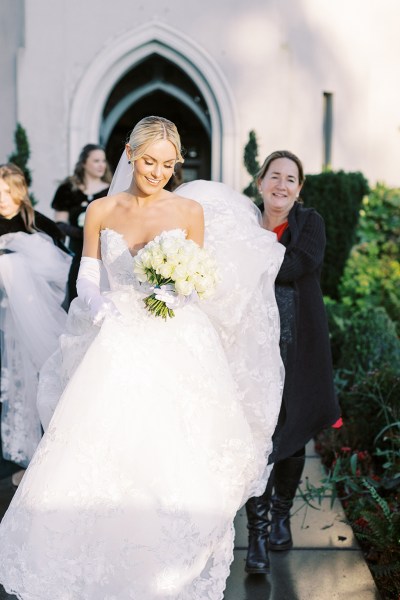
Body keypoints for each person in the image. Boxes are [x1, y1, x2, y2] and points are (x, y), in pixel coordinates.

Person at [0, 117, 285, 599]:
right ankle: (106, 566)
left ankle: (167, 569)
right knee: (104, 456)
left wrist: (177, 294)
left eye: (167, 165)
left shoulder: (190, 210)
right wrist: (96, 302)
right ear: (129, 153)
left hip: (177, 341)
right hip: (114, 336)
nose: (156, 172)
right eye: (149, 161)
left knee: (171, 455)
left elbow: (198, 278)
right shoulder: (101, 209)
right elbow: (87, 274)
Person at [245, 150, 341, 574]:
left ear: (299, 189)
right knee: (253, 437)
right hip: (250, 346)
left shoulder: (309, 223)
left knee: (293, 431)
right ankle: (258, 536)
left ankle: (281, 513)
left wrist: (249, 259)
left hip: (298, 343)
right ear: (260, 181)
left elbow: (301, 263)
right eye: (275, 176)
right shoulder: (242, 221)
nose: (282, 185)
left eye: (291, 179)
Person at [0, 164, 71, 486]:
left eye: (8, 191)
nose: (3, 199)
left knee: (42, 380)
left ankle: (44, 459)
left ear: (20, 191)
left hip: (33, 317)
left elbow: (62, 263)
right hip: (5, 319)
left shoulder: (35, 221)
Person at [52, 143, 112, 303]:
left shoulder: (111, 191)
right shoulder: (67, 189)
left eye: (103, 161)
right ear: (84, 163)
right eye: (96, 161)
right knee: (76, 294)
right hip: (76, 252)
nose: (101, 165)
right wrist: (84, 232)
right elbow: (59, 223)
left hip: (103, 253)